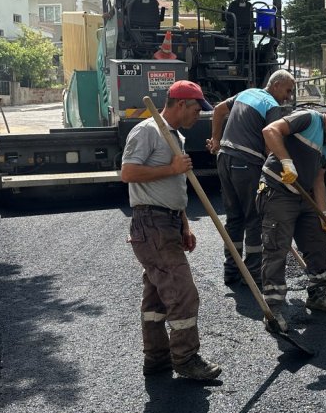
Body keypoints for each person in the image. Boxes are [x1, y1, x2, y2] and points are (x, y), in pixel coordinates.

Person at [120, 80, 222, 381]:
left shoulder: (173, 135)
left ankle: (157, 359)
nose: (198, 116)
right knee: (183, 293)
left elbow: (175, 188)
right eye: (195, 109)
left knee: (156, 298)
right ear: (179, 104)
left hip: (167, 223)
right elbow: (128, 172)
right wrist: (172, 168)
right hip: (151, 224)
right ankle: (186, 359)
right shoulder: (148, 130)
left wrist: (185, 226)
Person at [257, 103, 326, 330]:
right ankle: (274, 309)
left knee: (318, 241)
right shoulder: (308, 119)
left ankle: (317, 295)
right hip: (277, 191)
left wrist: (323, 215)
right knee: (277, 248)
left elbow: (318, 179)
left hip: (304, 195)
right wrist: (286, 162)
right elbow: (270, 131)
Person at [207, 69, 296, 286]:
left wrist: (216, 140)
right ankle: (254, 273)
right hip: (245, 163)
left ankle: (232, 271)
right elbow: (270, 142)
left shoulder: (246, 93)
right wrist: (284, 166)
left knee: (234, 218)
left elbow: (218, 110)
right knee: (254, 218)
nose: (289, 96)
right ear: (275, 85)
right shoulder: (271, 105)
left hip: (225, 159)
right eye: (288, 90)